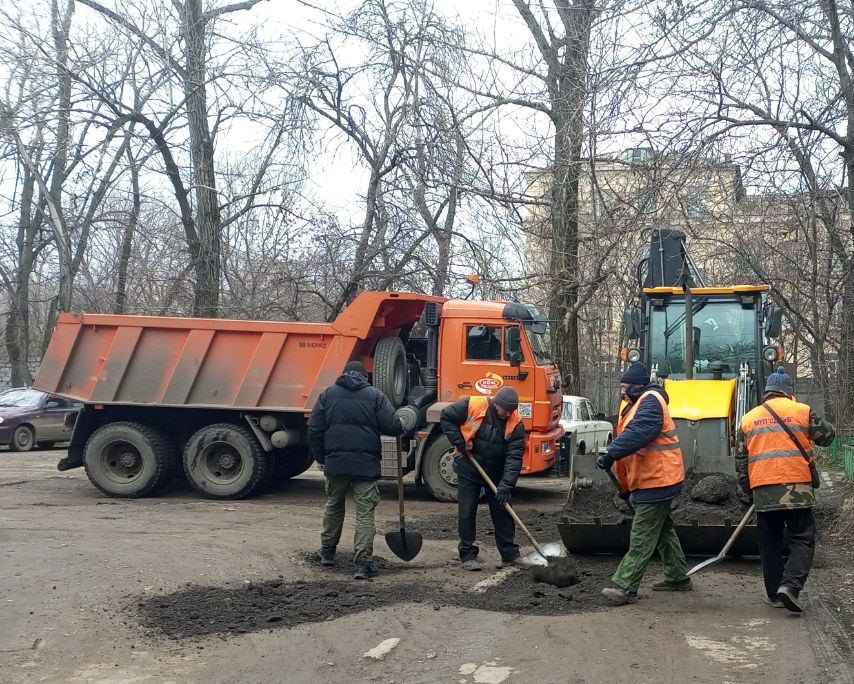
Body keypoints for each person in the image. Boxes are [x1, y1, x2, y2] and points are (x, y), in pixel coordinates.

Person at [738, 366, 835, 614]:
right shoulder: (802, 411)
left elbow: (740, 461)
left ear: (767, 392)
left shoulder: (748, 418)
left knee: (769, 543)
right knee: (802, 538)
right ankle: (790, 587)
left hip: (763, 489)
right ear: (789, 392)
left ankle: (774, 594)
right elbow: (828, 437)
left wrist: (748, 490)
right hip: (797, 489)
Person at [596, 362, 690, 605]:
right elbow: (631, 441)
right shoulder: (637, 404)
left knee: (642, 534)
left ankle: (625, 586)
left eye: (625, 387)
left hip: (658, 480)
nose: (622, 392)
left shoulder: (650, 401)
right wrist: (625, 483)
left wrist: (611, 453)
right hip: (655, 479)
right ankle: (678, 576)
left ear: (637, 387)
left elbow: (638, 433)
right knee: (662, 530)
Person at [307, 360, 404, 580]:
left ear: (344, 374)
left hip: (336, 464)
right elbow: (393, 427)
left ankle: (327, 552)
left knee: (334, 505)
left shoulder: (328, 395)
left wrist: (323, 458)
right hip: (365, 465)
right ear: (364, 376)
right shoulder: (375, 396)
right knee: (364, 512)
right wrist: (401, 423)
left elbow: (314, 428)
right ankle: (363, 563)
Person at [439, 386, 532, 570]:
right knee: (467, 510)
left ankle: (510, 554)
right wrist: (459, 442)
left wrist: (506, 486)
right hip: (469, 466)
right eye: (505, 409)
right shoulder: (474, 405)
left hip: (496, 472)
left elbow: (514, 458)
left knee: (503, 510)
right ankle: (468, 555)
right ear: (497, 403)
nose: (507, 414)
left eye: (511, 411)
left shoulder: (516, 423)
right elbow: (446, 416)